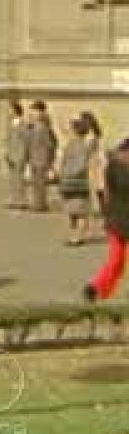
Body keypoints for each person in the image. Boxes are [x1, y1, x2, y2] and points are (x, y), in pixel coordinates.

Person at [85, 137, 129, 303]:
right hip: (121, 221)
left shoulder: (112, 167)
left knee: (116, 260)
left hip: (115, 220)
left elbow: (107, 192)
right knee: (116, 261)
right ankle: (97, 288)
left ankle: (97, 288)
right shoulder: (119, 169)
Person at [58, 115, 100, 247]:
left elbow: (65, 163)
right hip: (78, 181)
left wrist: (63, 174)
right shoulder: (84, 145)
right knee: (79, 211)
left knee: (74, 211)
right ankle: (77, 236)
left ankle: (75, 236)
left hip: (71, 181)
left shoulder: (71, 145)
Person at [23, 100, 58, 212]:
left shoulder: (43, 126)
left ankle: (40, 204)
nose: (32, 113)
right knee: (36, 182)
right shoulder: (35, 125)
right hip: (35, 157)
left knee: (40, 183)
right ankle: (37, 203)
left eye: (34, 111)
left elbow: (49, 144)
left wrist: (49, 159)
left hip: (41, 158)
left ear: (40, 112)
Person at [3, 99, 28, 209]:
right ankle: (13, 199)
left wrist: (22, 156)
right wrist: (7, 153)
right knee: (12, 179)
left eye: (10, 110)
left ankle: (21, 201)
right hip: (11, 154)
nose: (9, 112)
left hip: (19, 155)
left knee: (19, 180)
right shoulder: (11, 124)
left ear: (15, 111)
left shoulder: (22, 124)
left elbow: (24, 142)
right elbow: (9, 140)